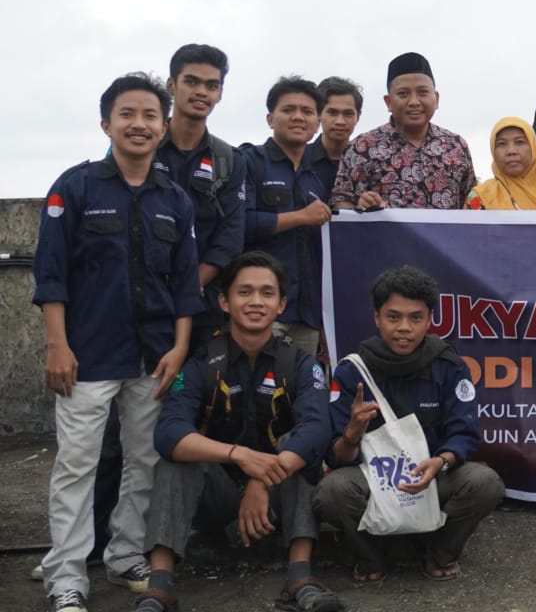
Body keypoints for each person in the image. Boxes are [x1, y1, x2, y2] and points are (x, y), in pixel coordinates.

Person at [33, 73, 202, 612]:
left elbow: (184, 283)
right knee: (77, 466)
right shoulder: (75, 188)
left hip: (154, 356)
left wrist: (179, 347)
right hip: (86, 356)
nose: (140, 124)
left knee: (145, 460)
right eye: (128, 114)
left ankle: (127, 554)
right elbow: (51, 274)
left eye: (151, 115)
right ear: (106, 123)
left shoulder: (174, 198)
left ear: (162, 127)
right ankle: (66, 575)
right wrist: (57, 346)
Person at [136, 252, 344, 612]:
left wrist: (262, 478)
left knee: (301, 450)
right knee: (175, 459)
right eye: (244, 292)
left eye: (266, 293)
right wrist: (239, 456)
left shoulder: (299, 363)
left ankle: (300, 577)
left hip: (277, 494)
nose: (255, 302)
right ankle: (160, 587)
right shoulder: (202, 362)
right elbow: (168, 431)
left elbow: (318, 428)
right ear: (224, 302)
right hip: (217, 495)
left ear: (281, 305)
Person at [316, 266, 506, 582]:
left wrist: (441, 463)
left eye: (415, 318)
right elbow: (337, 458)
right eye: (393, 317)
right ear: (376, 317)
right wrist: (350, 436)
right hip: (374, 481)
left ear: (429, 319)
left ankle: (439, 554)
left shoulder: (449, 366)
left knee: (485, 482)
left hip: (432, 475)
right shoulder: (352, 372)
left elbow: (464, 433)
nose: (404, 328)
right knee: (332, 491)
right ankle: (372, 557)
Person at [154, 43, 247, 349]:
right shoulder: (140, 146)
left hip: (203, 301)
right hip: (144, 299)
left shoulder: (229, 159)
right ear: (172, 86)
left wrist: (192, 282)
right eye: (191, 81)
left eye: (212, 85)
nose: (201, 92)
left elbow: (231, 236)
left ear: (220, 93)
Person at [242, 76, 330, 355]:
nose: (298, 117)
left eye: (307, 112)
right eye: (288, 110)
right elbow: (239, 225)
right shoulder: (248, 161)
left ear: (317, 123)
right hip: (261, 310)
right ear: (270, 118)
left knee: (303, 394)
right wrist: (301, 216)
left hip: (307, 315)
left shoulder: (314, 180)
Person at [330, 52, 478, 210]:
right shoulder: (362, 148)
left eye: (422, 92)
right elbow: (340, 203)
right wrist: (360, 208)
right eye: (403, 94)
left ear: (436, 99)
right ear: (388, 102)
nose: (414, 102)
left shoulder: (456, 146)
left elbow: (471, 202)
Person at [465, 117, 536, 210]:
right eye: (502, 144)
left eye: (519, 142)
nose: (511, 151)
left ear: (534, 147)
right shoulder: (480, 197)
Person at [311, 76, 363, 201]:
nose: (340, 121)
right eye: (332, 113)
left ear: (358, 116)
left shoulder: (368, 163)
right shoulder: (298, 161)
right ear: (318, 114)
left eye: (348, 114)